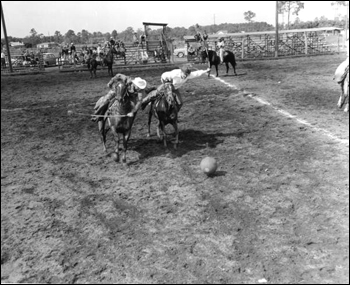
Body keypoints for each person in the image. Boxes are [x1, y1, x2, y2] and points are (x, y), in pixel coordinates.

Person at [141, 65, 210, 112]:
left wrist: (206, 71)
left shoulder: (188, 75)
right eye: (185, 74)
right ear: (181, 72)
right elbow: (163, 75)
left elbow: (197, 73)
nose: (186, 76)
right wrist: (166, 83)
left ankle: (174, 114)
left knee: (180, 103)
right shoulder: (174, 74)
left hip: (175, 88)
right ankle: (144, 102)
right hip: (167, 85)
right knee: (156, 93)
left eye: (187, 74)